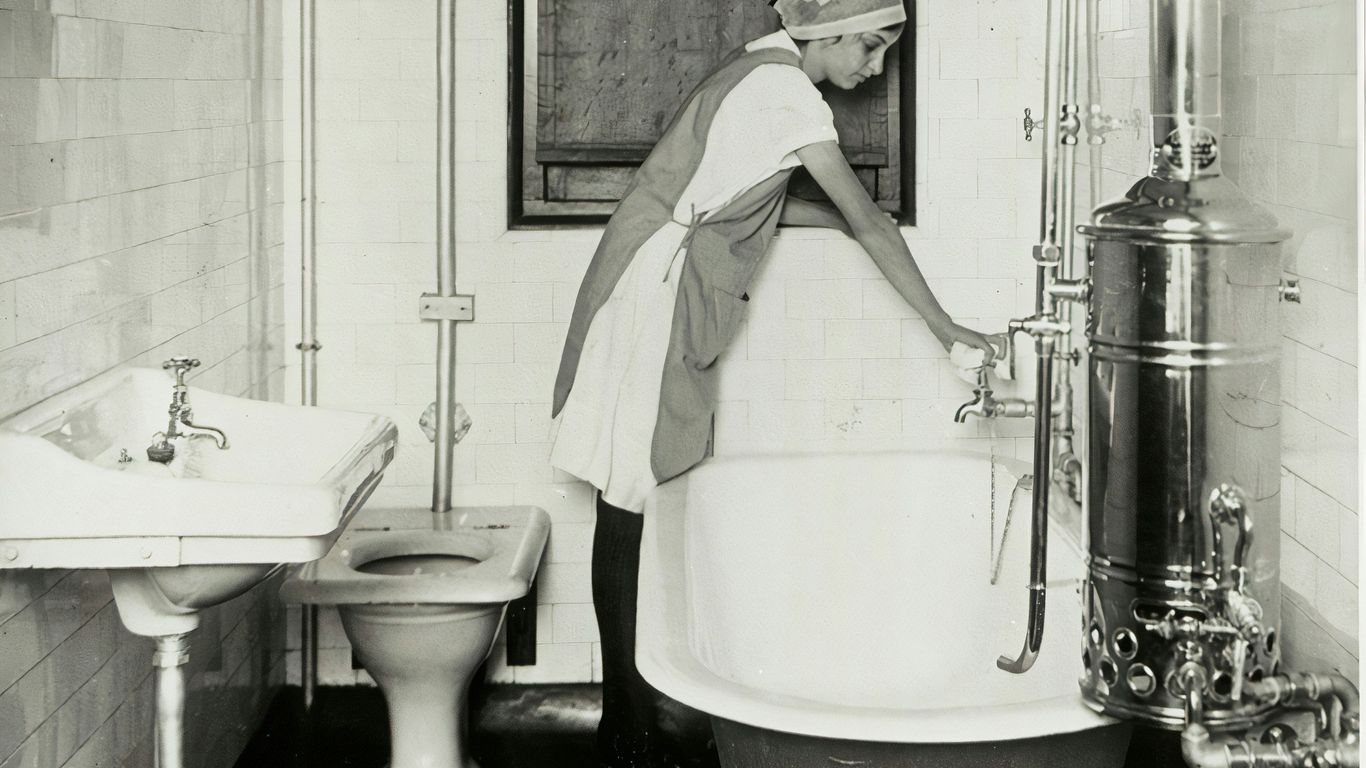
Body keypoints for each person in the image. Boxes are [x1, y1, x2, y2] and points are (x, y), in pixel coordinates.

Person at [548, 1, 998, 765]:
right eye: (869, 46)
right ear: (826, 30)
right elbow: (866, 218)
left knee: (632, 497)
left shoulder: (758, 67)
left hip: (645, 281)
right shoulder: (789, 95)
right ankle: (624, 727)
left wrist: (849, 226)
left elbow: (757, 191)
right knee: (626, 503)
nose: (874, 68)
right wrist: (946, 325)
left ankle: (634, 713)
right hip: (655, 298)